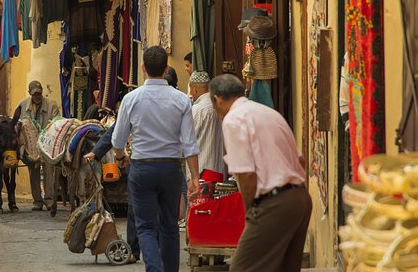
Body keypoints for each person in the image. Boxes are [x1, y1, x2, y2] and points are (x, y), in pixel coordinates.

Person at [112, 46, 201, 272]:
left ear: (143, 68)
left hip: (142, 168)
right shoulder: (182, 100)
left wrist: (121, 157)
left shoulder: (131, 99)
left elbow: (118, 140)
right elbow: (190, 143)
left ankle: (154, 269)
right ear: (166, 69)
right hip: (171, 168)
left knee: (146, 227)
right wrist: (195, 178)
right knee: (170, 226)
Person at [209, 74, 311, 272]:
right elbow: (300, 160)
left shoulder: (233, 120)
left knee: (242, 267)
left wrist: (251, 212)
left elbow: (246, 174)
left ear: (217, 100)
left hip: (274, 202)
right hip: (300, 198)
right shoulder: (269, 113)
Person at [83, 120, 140, 264]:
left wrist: (119, 156)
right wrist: (96, 152)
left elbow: (118, 131)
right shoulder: (178, 100)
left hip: (142, 165)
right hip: (167, 164)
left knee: (136, 208)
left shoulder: (132, 101)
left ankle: (136, 250)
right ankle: (144, 250)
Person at [18, 80, 61, 211]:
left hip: (47, 143)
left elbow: (57, 122)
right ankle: (37, 200)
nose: (37, 96)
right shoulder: (23, 105)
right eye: (35, 94)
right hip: (31, 145)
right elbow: (17, 123)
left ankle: (49, 199)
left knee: (48, 169)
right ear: (30, 93)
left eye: (39, 93)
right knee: (33, 169)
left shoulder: (52, 105)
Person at [189, 71, 226, 177]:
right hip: (220, 169)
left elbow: (187, 141)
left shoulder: (197, 110)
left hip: (202, 171)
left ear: (194, 89)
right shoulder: (221, 105)